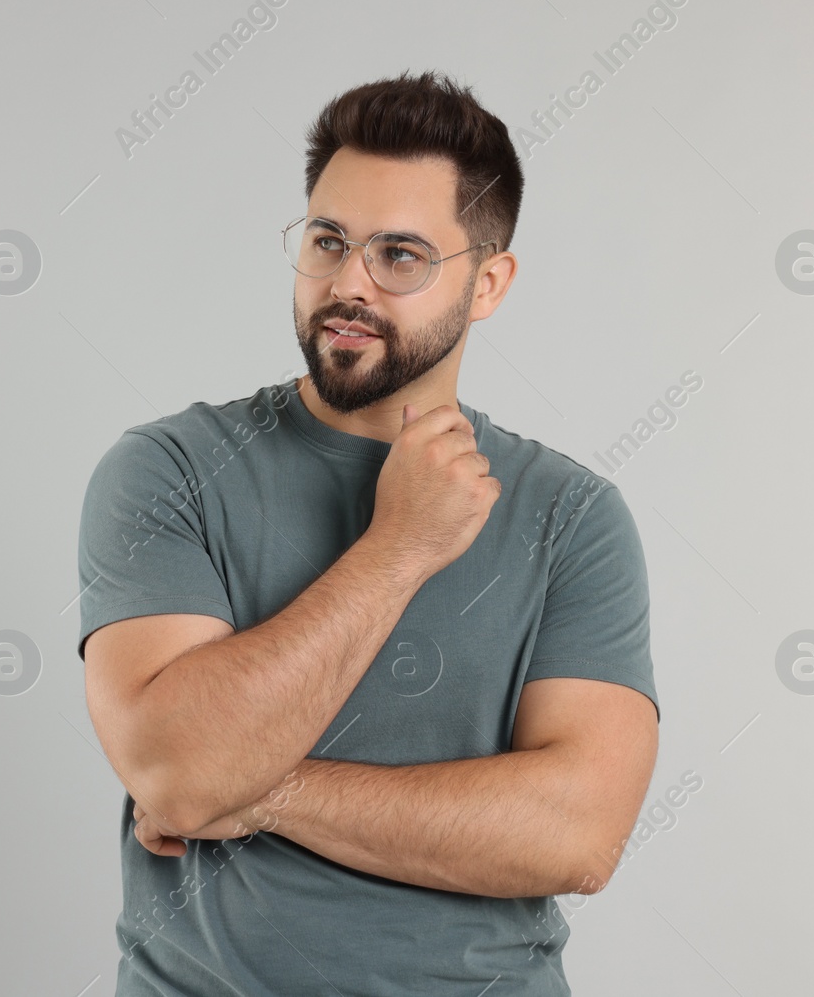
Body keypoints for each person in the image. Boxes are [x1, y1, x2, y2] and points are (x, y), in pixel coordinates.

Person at [76, 69, 660, 996]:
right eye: (328, 240)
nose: (348, 283)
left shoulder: (571, 515)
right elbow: (181, 773)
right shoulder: (170, 470)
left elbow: (580, 833)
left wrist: (263, 790)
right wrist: (401, 548)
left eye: (400, 255)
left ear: (487, 283)